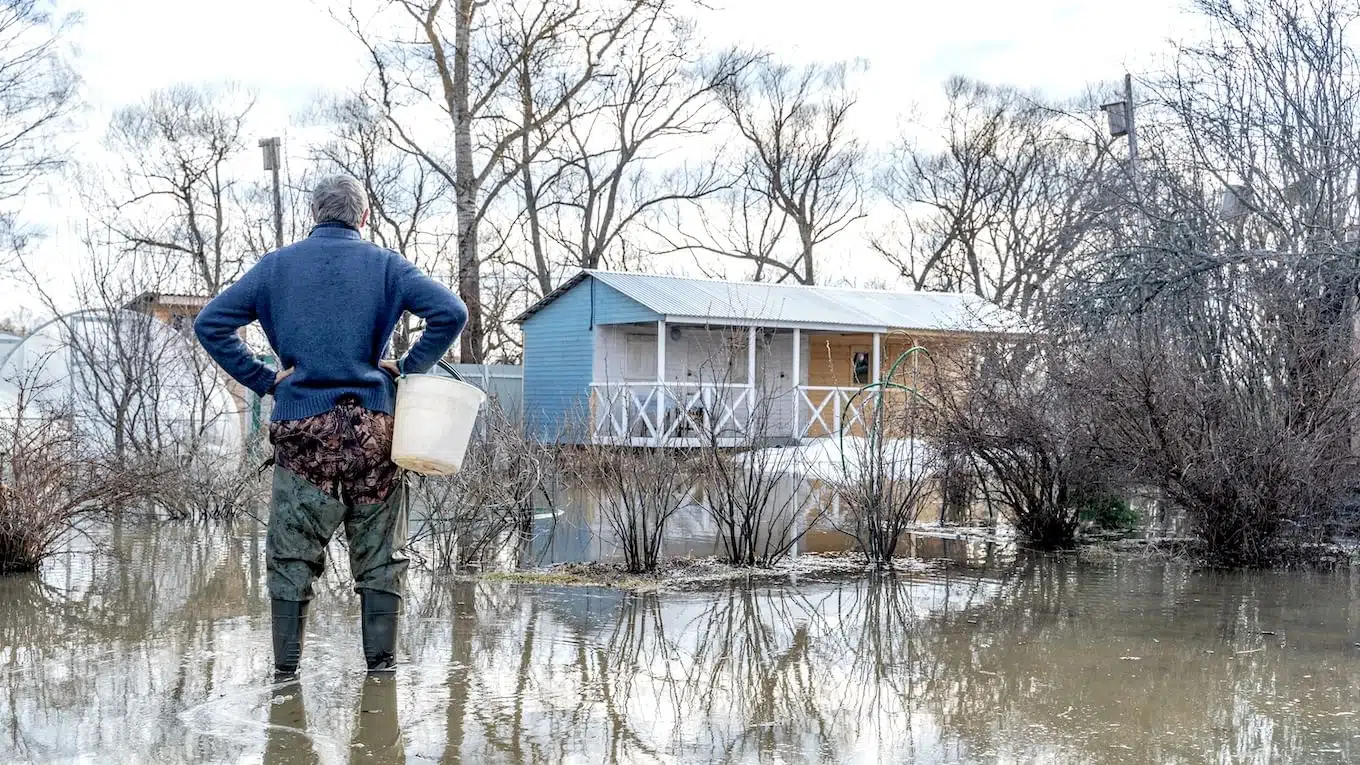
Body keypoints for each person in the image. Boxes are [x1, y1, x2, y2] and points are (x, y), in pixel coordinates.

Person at [194, 174, 467, 677]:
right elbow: (450, 312)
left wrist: (264, 380)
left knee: (291, 559)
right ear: (363, 217)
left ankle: (285, 675)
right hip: (375, 432)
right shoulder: (387, 265)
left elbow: (210, 323)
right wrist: (408, 366)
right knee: (382, 560)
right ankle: (381, 675)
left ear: (314, 214)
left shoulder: (277, 267)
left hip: (304, 432)